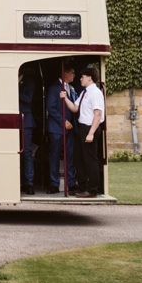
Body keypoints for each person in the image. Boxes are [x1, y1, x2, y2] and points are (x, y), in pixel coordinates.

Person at [61, 67, 105, 198]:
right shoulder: (84, 92)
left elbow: (97, 114)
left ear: (89, 78)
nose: (80, 79)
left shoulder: (95, 93)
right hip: (81, 128)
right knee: (79, 159)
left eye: (83, 76)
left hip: (89, 128)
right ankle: (82, 187)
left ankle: (92, 190)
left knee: (90, 160)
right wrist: (65, 99)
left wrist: (91, 133)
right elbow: (75, 108)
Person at [45, 66, 77, 194]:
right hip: (57, 128)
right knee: (55, 156)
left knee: (69, 156)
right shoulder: (54, 88)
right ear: (65, 73)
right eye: (72, 72)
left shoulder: (71, 89)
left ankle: (71, 183)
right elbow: (51, 108)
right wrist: (63, 121)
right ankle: (54, 183)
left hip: (70, 128)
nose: (74, 75)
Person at [19, 72, 37, 195]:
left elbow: (28, 99)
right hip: (11, 121)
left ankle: (29, 183)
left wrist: (14, 89)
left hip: (26, 121)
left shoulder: (29, 79)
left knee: (27, 153)